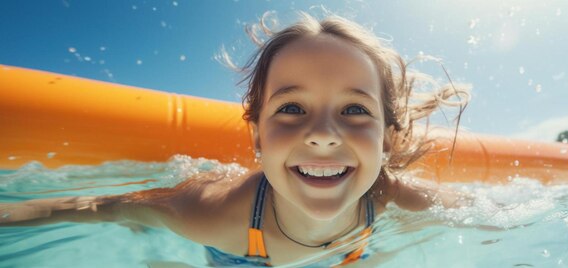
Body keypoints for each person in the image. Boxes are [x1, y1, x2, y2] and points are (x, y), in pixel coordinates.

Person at [0, 11, 471, 266]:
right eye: (291, 109)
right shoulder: (214, 213)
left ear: (387, 138)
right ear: (257, 135)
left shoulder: (391, 197)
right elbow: (105, 206)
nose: (324, 136)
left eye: (354, 110)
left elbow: (488, 217)